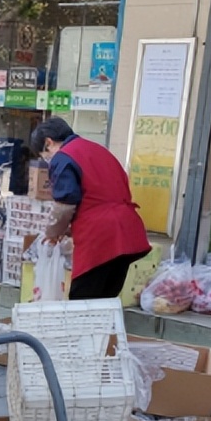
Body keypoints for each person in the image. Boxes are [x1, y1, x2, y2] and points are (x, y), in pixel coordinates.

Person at [34, 117, 151, 300]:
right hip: (126, 230)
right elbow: (99, 195)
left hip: (99, 236)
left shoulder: (64, 157)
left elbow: (65, 205)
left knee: (82, 301)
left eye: (44, 155)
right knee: (106, 299)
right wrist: (68, 230)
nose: (47, 160)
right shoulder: (98, 150)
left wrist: (53, 232)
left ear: (48, 142)